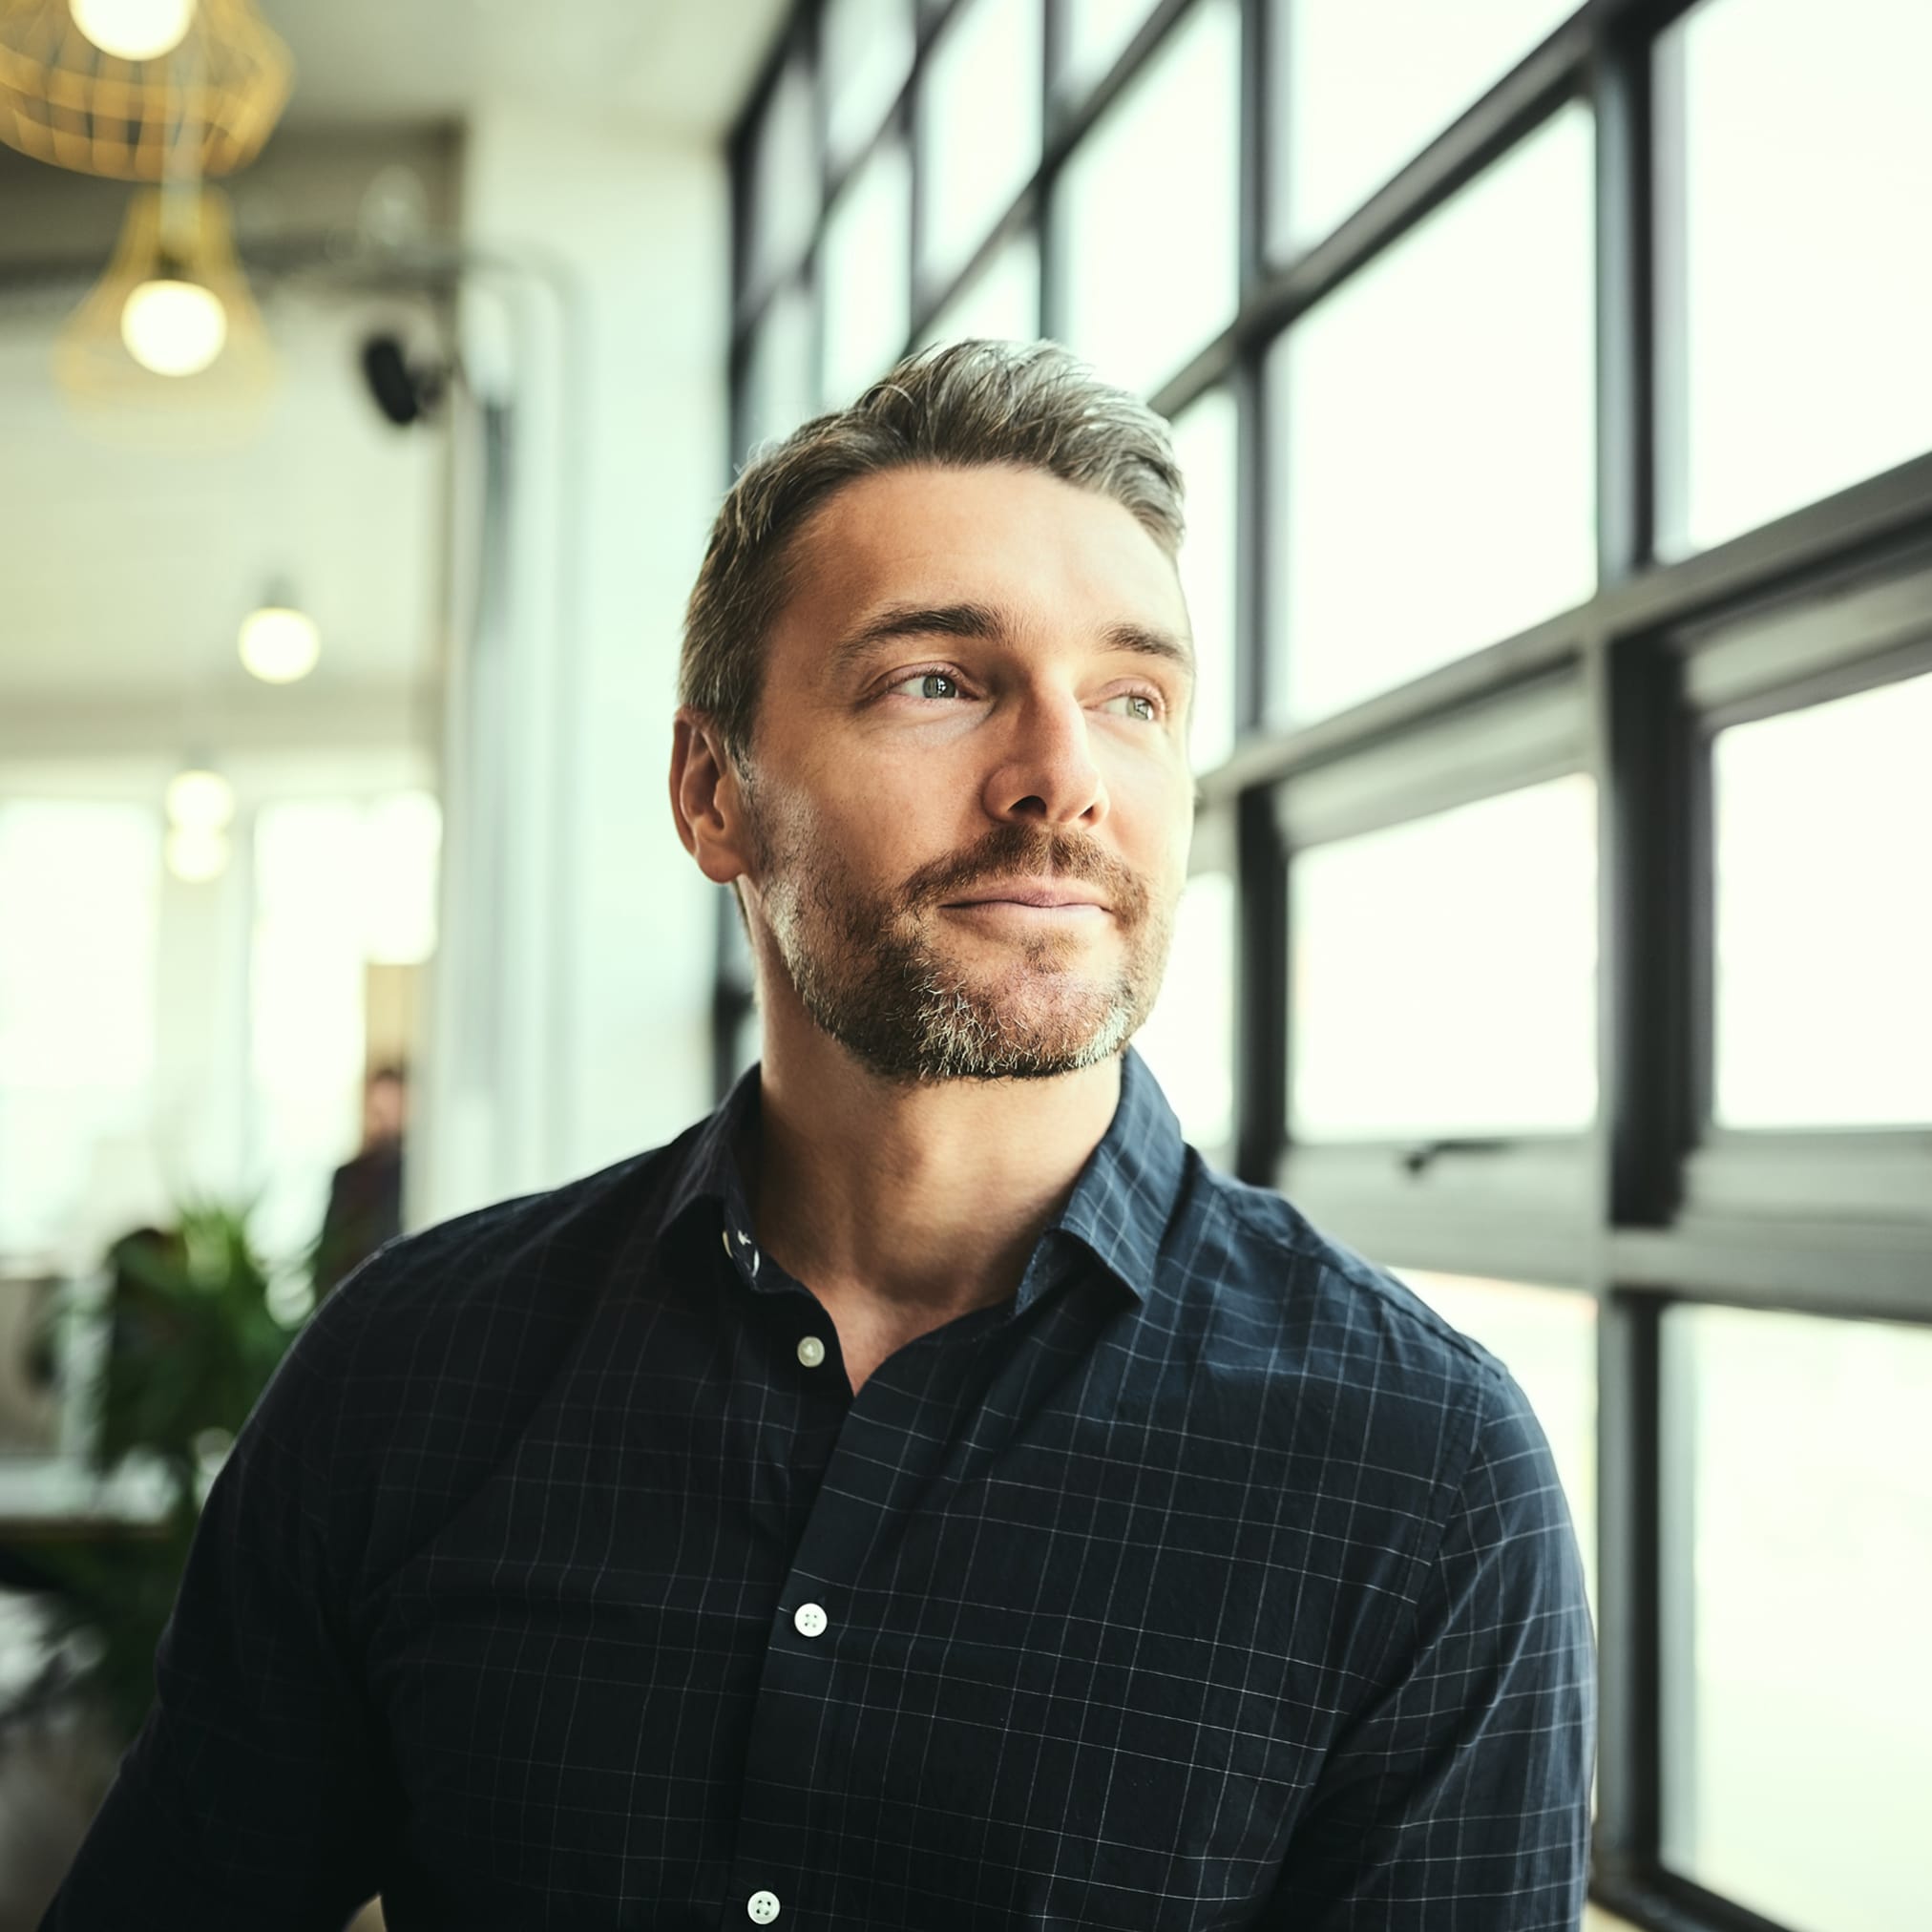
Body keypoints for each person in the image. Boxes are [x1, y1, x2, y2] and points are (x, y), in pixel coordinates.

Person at [43, 342, 1594, 1930]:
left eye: (1130, 697)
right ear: (713, 790)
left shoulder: (1416, 1472)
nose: (1062, 777)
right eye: (937, 679)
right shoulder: (415, 1368)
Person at [312, 1064, 409, 1302]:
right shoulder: (350, 1176)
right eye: (380, 1110)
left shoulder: (420, 1173)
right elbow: (330, 1251)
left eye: (394, 1109)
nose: (387, 1121)